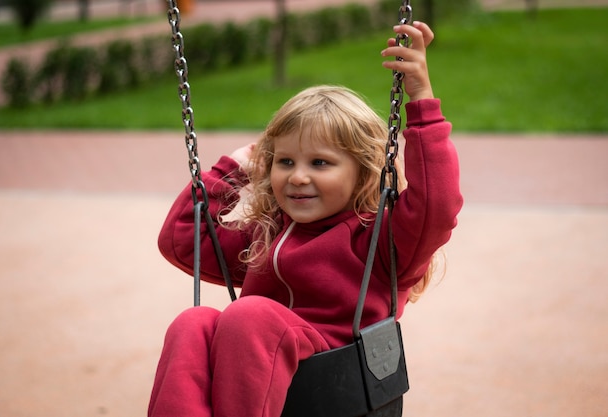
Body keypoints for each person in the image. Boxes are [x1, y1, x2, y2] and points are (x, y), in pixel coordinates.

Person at [148, 21, 463, 417]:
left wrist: (421, 101)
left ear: (363, 170)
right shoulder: (267, 236)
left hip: (338, 377)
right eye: (284, 161)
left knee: (249, 313)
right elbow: (182, 239)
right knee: (192, 324)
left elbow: (438, 204)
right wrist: (230, 169)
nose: (298, 176)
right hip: (258, 365)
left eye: (319, 163)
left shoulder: (379, 240)